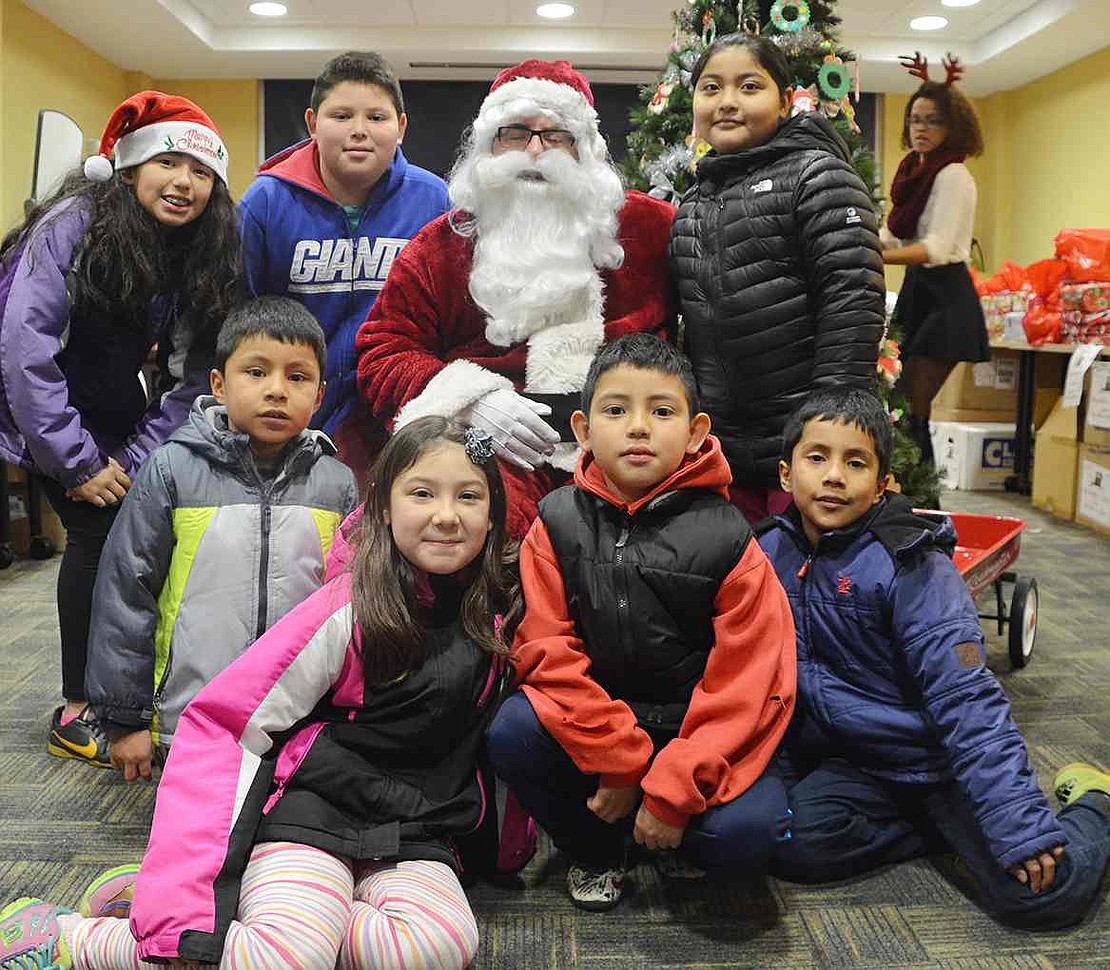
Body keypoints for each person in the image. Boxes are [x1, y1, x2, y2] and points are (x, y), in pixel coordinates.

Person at [0, 415, 523, 969]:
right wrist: (186, 900)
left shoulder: (497, 615)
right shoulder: (348, 608)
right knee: (278, 959)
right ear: (385, 509)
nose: (446, 515)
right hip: (312, 814)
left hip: (416, 830)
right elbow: (224, 725)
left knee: (434, 951)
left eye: (468, 496)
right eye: (422, 493)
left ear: (492, 516)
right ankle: (71, 937)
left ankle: (200, 904)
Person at [757, 386, 1110, 929]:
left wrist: (1015, 827)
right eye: (817, 457)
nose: (833, 476)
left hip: (936, 762)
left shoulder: (911, 566)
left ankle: (1096, 804)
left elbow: (967, 698)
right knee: (792, 847)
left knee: (1042, 898)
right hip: (859, 762)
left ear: (882, 486)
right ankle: (937, 829)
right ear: (787, 475)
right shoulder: (769, 554)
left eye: (855, 462)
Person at [487, 333, 796, 912]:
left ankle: (670, 835)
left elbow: (749, 682)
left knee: (748, 834)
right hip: (601, 730)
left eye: (661, 411)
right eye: (616, 410)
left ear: (697, 431)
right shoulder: (555, 522)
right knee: (512, 731)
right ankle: (602, 849)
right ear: (582, 429)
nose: (638, 427)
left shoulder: (729, 535)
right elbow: (543, 653)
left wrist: (674, 785)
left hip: (695, 732)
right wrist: (619, 761)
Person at [0, 91, 240, 767]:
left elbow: (194, 375)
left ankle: (131, 690)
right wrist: (75, 461)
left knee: (137, 538)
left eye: (201, 172)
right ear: (128, 168)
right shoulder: (72, 223)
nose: (184, 182)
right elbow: (23, 348)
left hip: (115, 419)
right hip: (37, 415)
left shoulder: (196, 247)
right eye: (168, 162)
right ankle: (79, 706)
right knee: (97, 537)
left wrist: (134, 455)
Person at [357, 59, 676, 539]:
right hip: (487, 455)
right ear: (489, 146)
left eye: (556, 136)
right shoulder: (442, 246)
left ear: (584, 150)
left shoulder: (651, 230)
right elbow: (383, 351)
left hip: (626, 452)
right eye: (516, 133)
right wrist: (472, 401)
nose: (535, 152)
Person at [84, 296, 359, 782]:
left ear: (318, 396)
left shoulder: (338, 485)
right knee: (198, 847)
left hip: (299, 720)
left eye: (297, 377)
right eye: (256, 372)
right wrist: (125, 719)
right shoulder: (171, 471)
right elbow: (126, 594)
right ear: (218, 384)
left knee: (278, 850)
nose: (276, 390)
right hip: (191, 718)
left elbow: (351, 605)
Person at [669, 33, 885, 525]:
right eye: (710, 88)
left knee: (804, 589)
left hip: (805, 450)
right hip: (725, 451)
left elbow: (853, 303)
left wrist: (825, 433)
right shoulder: (693, 203)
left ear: (785, 101)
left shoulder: (819, 177)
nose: (727, 102)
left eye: (749, 87)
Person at [239, 50, 451, 470]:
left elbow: (446, 319)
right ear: (312, 123)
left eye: (376, 117)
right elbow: (238, 316)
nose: (359, 131)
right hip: (290, 418)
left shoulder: (434, 200)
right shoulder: (264, 203)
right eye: (341, 116)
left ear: (401, 128)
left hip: (400, 421)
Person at [881, 55, 988, 466]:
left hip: (947, 298)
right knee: (902, 407)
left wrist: (876, 254)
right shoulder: (914, 171)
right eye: (915, 120)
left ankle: (924, 503)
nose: (921, 129)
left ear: (953, 128)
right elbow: (896, 233)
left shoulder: (953, 176)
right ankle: (913, 498)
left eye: (932, 121)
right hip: (918, 294)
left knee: (912, 407)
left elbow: (936, 248)